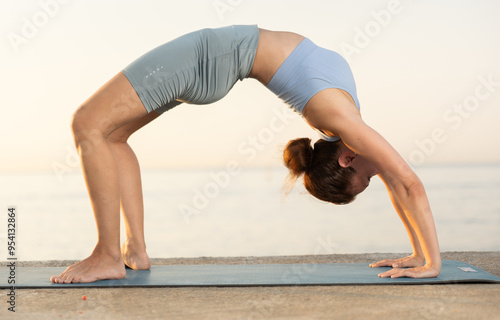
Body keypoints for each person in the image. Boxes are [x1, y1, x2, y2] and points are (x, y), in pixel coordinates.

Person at [50, 25, 441, 283]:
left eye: (367, 180)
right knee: (112, 135)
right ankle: (133, 250)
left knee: (87, 124)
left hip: (212, 56)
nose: (380, 174)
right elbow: (403, 184)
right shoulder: (347, 123)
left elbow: (407, 184)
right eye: (368, 180)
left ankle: (107, 255)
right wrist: (421, 255)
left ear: (346, 159)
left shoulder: (344, 123)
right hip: (218, 61)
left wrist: (428, 260)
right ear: (347, 159)